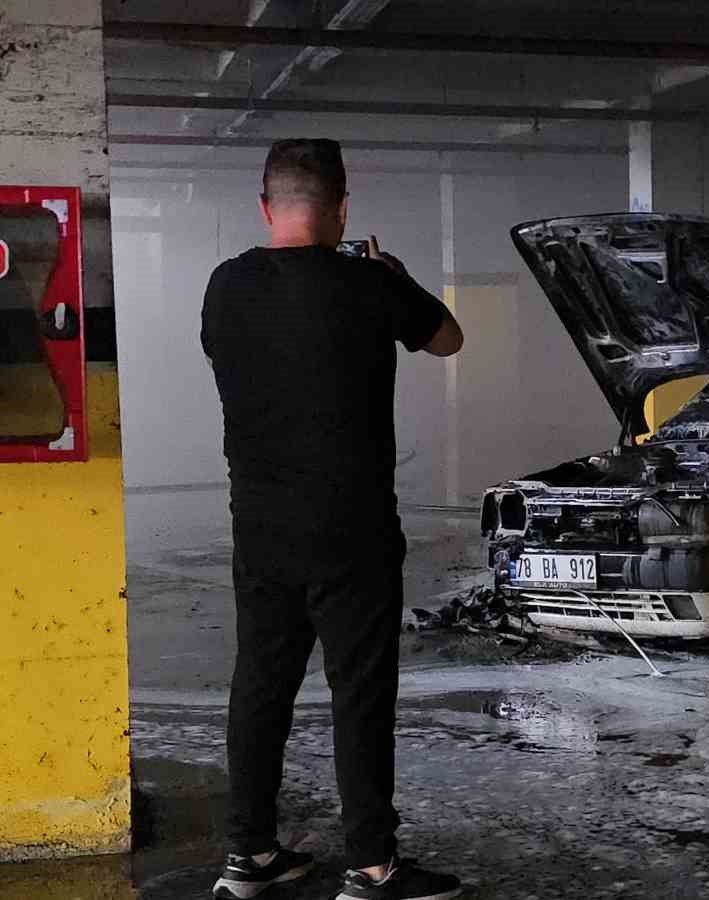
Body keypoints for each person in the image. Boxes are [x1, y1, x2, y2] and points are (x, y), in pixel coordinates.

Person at [201, 138, 465, 900]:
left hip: (259, 528)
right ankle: (373, 867)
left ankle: (248, 856)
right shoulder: (367, 283)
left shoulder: (226, 286)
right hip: (351, 531)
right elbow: (448, 339)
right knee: (360, 694)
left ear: (264, 206)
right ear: (342, 208)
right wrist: (395, 277)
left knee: (258, 686)